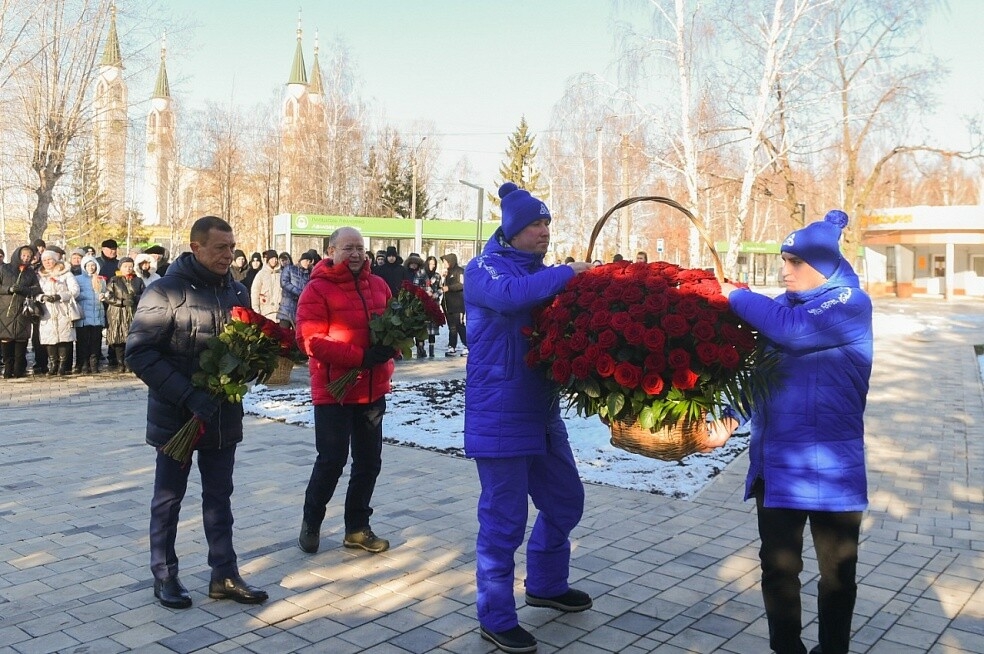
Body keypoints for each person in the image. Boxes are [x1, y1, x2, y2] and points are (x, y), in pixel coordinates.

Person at [708, 210, 872, 654]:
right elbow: (761, 375)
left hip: (832, 469)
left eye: (795, 262)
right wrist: (728, 420)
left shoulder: (850, 303)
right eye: (783, 260)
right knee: (778, 571)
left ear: (823, 265)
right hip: (777, 466)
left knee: (838, 575)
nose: (785, 270)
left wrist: (733, 295)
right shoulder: (783, 306)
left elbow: (795, 334)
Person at [464, 182, 594, 654]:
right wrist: (567, 274)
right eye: (536, 223)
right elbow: (511, 297)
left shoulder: (540, 272)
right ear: (514, 229)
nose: (544, 231)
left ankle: (546, 583)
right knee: (503, 520)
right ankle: (495, 616)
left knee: (565, 501)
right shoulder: (483, 268)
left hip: (540, 412)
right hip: (498, 413)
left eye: (547, 223)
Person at [126, 215, 268, 609]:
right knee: (169, 499)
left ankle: (224, 573)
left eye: (232, 246)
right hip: (177, 418)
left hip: (223, 415)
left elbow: (241, 345)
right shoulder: (165, 292)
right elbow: (140, 354)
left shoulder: (237, 291)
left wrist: (253, 364)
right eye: (221, 248)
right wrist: (188, 395)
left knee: (220, 497)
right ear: (197, 248)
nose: (230, 254)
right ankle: (165, 575)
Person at [295, 226, 395, 557]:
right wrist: (360, 357)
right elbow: (311, 341)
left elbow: (393, 326)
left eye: (360, 248)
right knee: (332, 460)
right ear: (331, 251)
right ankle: (312, 520)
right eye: (347, 248)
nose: (355, 254)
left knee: (369, 462)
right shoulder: (317, 290)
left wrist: (390, 348)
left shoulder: (379, 286)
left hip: (371, 390)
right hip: (334, 392)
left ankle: (357, 527)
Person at [0, 245, 43, 379]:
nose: (25, 258)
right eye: (24, 256)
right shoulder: (4, 269)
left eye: (28, 257)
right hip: (5, 310)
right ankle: (8, 368)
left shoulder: (30, 272)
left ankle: (19, 368)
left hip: (22, 310)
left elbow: (37, 289)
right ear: (18, 255)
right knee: (6, 340)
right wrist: (9, 289)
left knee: (21, 340)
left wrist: (25, 290)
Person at [36, 250, 80, 375]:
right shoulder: (40, 276)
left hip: (63, 309)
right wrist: (42, 297)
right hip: (47, 311)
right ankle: (53, 363)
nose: (47, 262)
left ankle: (62, 365)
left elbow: (75, 291)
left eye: (49, 259)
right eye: (44, 260)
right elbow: (35, 292)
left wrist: (60, 296)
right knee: (49, 338)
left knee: (64, 338)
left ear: (55, 260)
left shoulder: (66, 274)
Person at [105, 257, 144, 373]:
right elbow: (108, 296)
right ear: (120, 267)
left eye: (130, 266)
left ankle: (129, 362)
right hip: (117, 313)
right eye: (125, 266)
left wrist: (135, 299)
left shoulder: (138, 280)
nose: (128, 268)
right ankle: (120, 362)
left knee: (131, 339)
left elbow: (145, 294)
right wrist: (121, 302)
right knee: (118, 339)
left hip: (132, 312)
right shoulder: (114, 280)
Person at [74, 255, 108, 374]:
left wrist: (104, 296)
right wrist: (88, 296)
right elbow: (75, 294)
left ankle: (94, 364)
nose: (91, 267)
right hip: (83, 316)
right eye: (88, 265)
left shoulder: (101, 279)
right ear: (84, 266)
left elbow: (105, 292)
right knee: (82, 342)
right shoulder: (77, 279)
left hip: (97, 315)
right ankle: (82, 364)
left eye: (93, 265)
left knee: (96, 342)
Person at [278, 250, 314, 329]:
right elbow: (284, 283)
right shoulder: (289, 269)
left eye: (310, 261)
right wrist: (299, 292)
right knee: (283, 335)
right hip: (286, 308)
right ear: (301, 260)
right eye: (306, 260)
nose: (308, 263)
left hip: (299, 310)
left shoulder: (309, 274)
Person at [440, 252, 467, 356]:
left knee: (459, 325)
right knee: (451, 327)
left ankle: (467, 345)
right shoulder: (447, 273)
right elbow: (442, 286)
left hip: (458, 304)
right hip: (448, 304)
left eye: (446, 261)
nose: (444, 264)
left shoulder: (460, 271)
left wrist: (449, 288)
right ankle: (452, 346)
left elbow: (462, 284)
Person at [251, 249, 282, 321]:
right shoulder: (261, 274)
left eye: (275, 258)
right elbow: (255, 292)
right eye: (271, 259)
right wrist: (256, 310)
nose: (274, 261)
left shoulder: (281, 274)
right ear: (268, 260)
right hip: (265, 312)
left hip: (279, 313)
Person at [422, 256, 443, 358]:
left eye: (434, 264)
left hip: (434, 304)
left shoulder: (437, 276)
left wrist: (437, 294)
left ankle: (431, 349)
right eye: (430, 264)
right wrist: (425, 292)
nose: (432, 266)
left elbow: (441, 288)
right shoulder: (421, 274)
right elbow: (416, 286)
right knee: (422, 327)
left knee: (432, 328)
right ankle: (420, 348)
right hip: (422, 304)